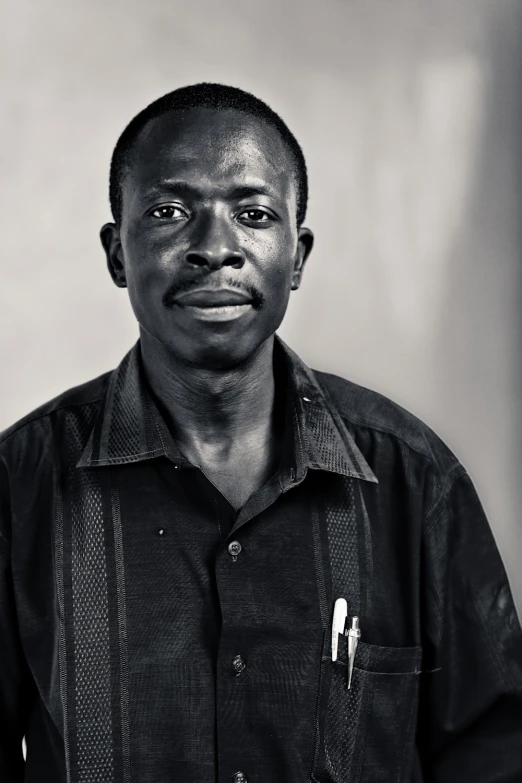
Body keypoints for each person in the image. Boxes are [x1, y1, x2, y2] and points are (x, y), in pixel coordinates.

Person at [1, 83, 521, 783]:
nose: (215, 248)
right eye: (167, 211)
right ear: (116, 252)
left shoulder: (410, 478)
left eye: (252, 213)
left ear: (297, 255)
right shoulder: (21, 482)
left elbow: (495, 748)